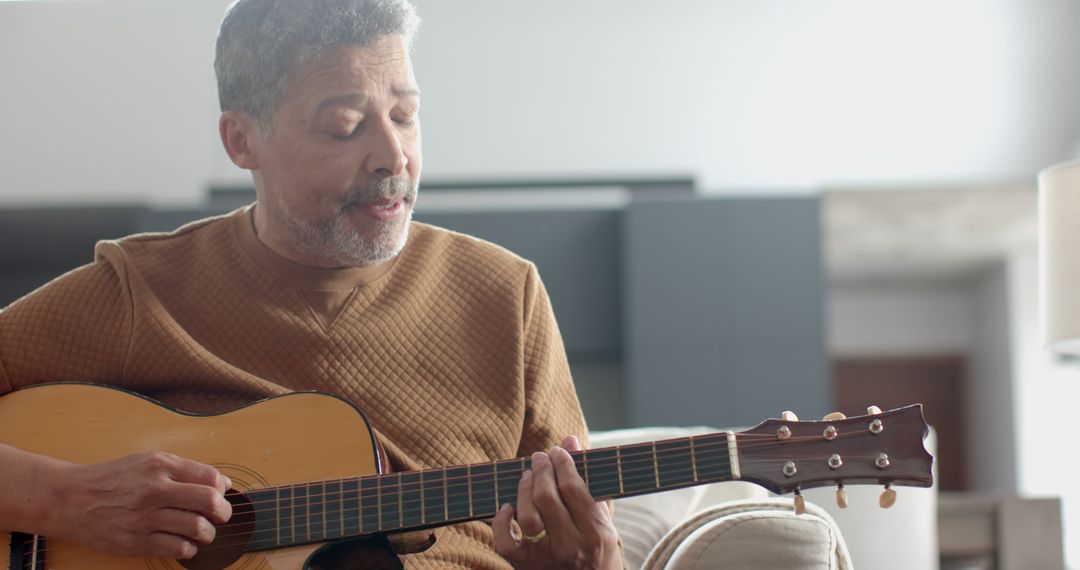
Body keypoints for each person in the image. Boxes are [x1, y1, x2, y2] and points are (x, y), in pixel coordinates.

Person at [0, 0, 624, 568]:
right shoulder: (145, 291)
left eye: (405, 117)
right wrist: (70, 500)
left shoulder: (505, 295)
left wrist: (596, 565)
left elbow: (573, 531)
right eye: (344, 127)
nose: (393, 156)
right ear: (242, 140)